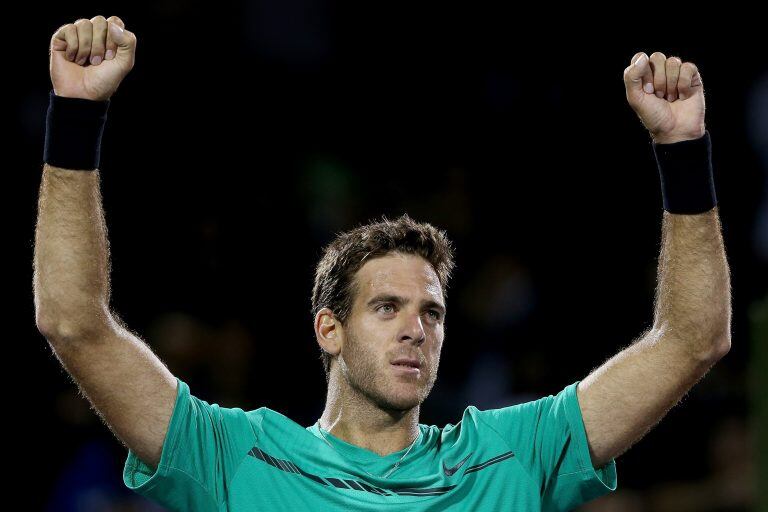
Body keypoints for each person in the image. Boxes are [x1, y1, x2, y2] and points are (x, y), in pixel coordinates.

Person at [34, 15, 732, 511]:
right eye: (386, 307)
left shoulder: (511, 453)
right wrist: (75, 116)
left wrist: (683, 149)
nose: (416, 329)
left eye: (431, 311)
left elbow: (693, 341)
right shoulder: (231, 456)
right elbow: (73, 323)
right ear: (328, 330)